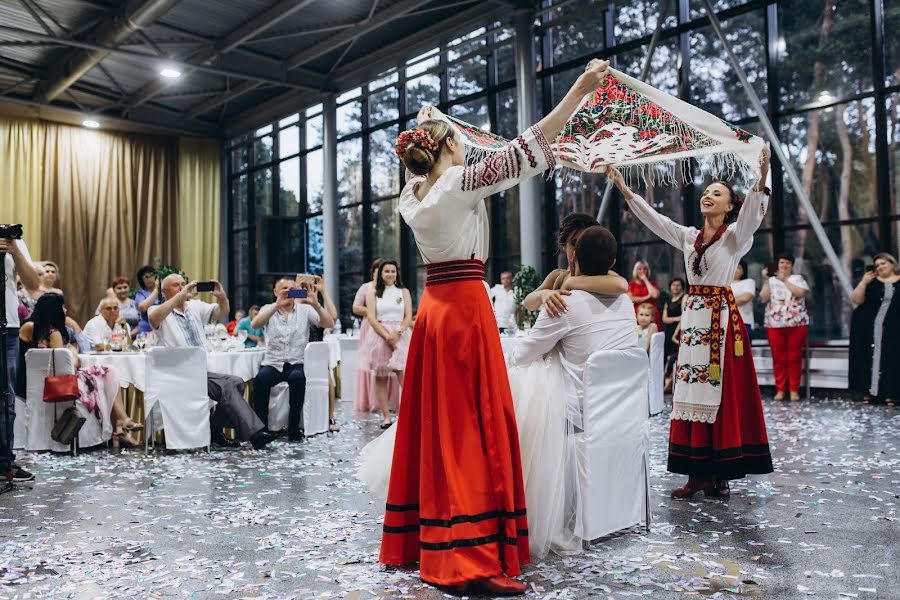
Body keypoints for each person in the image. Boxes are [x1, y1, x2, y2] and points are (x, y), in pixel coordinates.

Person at [376, 60, 610, 596]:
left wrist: (433, 133)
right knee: (468, 427)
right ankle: (468, 556)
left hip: (437, 306)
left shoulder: (413, 197)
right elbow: (534, 143)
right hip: (463, 309)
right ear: (451, 150)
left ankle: (426, 538)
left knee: (441, 425)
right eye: (460, 142)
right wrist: (579, 89)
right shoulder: (460, 183)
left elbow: (426, 164)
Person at [607, 146, 774, 499]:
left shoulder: (734, 238)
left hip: (721, 321)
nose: (708, 196)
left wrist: (761, 177)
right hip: (695, 317)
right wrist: (624, 188)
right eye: (707, 192)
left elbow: (752, 217)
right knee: (689, 391)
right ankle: (697, 472)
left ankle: (721, 473)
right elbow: (656, 220)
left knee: (720, 389)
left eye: (717, 193)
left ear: (730, 206)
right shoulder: (687, 236)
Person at [507, 225, 635, 558]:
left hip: (580, 408)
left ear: (574, 253)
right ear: (613, 259)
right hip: (622, 406)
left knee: (521, 395)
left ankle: (516, 501)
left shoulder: (567, 302)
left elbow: (523, 354)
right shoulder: (626, 302)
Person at [149, 275, 276, 450]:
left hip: (200, 372)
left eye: (183, 284)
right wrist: (180, 296)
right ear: (164, 292)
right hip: (177, 375)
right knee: (227, 387)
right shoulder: (157, 310)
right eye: (176, 285)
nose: (182, 288)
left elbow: (221, 311)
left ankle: (215, 428)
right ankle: (255, 434)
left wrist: (222, 297)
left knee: (237, 382)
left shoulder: (195, 307)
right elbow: (154, 318)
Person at [19, 294, 139, 447]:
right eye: (62, 307)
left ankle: (121, 421)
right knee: (108, 373)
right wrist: (73, 353)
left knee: (108, 371)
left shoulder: (29, 326)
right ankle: (121, 421)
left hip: (28, 379)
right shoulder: (53, 332)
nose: (65, 310)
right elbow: (64, 364)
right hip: (58, 381)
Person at [251, 277, 335, 442]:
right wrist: (277, 305)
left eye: (292, 289)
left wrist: (316, 304)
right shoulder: (268, 308)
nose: (288, 293)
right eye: (284, 289)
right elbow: (255, 325)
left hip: (296, 362)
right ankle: (262, 428)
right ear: (275, 292)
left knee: (298, 379)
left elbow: (329, 323)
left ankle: (294, 428)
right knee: (260, 380)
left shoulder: (304, 310)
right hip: (273, 363)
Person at [522, 212, 628, 316]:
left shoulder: (605, 276)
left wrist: (571, 283)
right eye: (575, 243)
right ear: (564, 246)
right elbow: (527, 303)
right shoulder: (558, 276)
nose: (581, 247)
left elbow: (621, 285)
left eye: (587, 242)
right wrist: (543, 294)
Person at [1, 234, 40, 483]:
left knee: (6, 397)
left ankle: (5, 462)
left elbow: (33, 283)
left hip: (9, 328)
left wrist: (14, 251)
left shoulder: (12, 239)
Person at [359, 260, 412, 428]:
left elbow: (408, 316)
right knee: (381, 377)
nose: (390, 274)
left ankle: (408, 414)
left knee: (404, 376)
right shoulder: (373, 293)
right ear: (381, 274)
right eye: (386, 271)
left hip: (400, 335)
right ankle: (386, 416)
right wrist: (386, 335)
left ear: (397, 274)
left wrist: (399, 333)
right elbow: (372, 318)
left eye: (393, 271)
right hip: (380, 336)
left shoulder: (404, 292)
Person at [848, 253, 900, 405]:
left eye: (883, 263)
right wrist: (863, 282)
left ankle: (891, 393)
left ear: (891, 263)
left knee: (891, 358)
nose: (880, 267)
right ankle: (869, 392)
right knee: (869, 358)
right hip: (868, 328)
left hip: (893, 328)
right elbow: (856, 299)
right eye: (877, 265)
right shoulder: (871, 281)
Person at [759, 254, 809, 402]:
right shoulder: (771, 280)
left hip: (796, 323)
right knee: (778, 358)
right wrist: (767, 279)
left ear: (792, 265)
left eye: (787, 263)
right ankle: (780, 389)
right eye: (782, 262)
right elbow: (763, 297)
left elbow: (801, 293)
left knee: (794, 357)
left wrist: (785, 280)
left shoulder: (797, 278)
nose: (784, 265)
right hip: (774, 324)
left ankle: (794, 389)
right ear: (777, 264)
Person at [353, 259, 399, 413]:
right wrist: (371, 311)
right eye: (379, 271)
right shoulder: (366, 288)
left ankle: (392, 403)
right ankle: (371, 401)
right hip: (371, 327)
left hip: (392, 327)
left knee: (393, 364)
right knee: (373, 363)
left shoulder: (394, 290)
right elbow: (356, 307)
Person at [662, 278, 685, 392]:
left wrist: (675, 320)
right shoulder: (668, 300)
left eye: (678, 285)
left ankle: (672, 384)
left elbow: (683, 317)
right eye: (673, 285)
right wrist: (676, 318)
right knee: (667, 357)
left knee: (675, 357)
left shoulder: (683, 299)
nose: (675, 287)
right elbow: (664, 319)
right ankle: (668, 384)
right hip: (669, 331)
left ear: (682, 287)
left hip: (678, 330)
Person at [731, 260, 756, 339]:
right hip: (724, 323)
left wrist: (724, 301)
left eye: (738, 267)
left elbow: (745, 298)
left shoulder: (748, 282)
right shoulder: (722, 284)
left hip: (744, 322)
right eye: (733, 267)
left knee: (743, 351)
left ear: (743, 271)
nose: (735, 270)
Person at [134, 265, 161, 335]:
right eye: (146, 277)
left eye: (151, 275)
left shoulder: (163, 293)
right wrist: (156, 289)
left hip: (162, 328)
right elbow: (143, 307)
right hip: (146, 329)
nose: (149, 279)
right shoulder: (140, 294)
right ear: (142, 280)